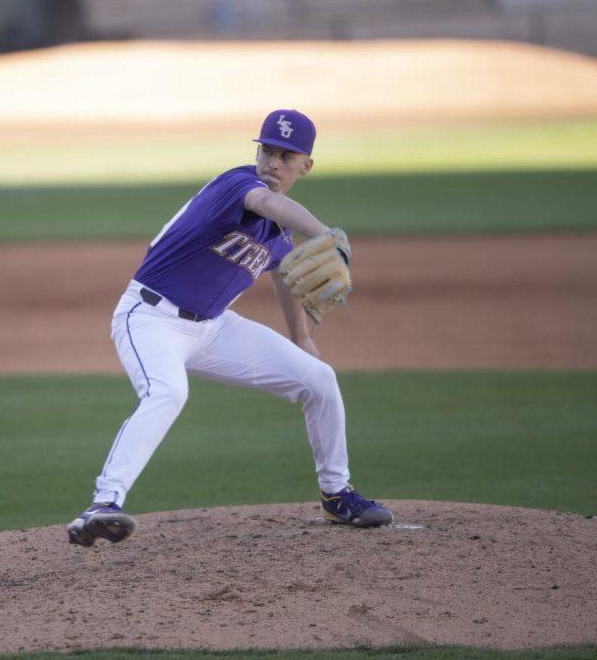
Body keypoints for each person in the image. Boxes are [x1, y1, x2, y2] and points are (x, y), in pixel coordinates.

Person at [67, 109, 393, 547]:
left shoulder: (280, 231)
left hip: (213, 329)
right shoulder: (239, 185)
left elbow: (282, 272)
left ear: (306, 165)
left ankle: (337, 495)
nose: (273, 163)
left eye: (286, 156)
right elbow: (266, 203)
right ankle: (102, 504)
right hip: (149, 318)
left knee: (319, 380)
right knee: (168, 391)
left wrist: (301, 339)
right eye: (267, 151)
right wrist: (324, 232)